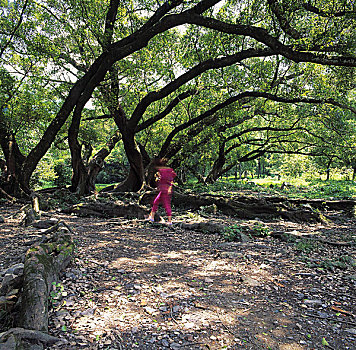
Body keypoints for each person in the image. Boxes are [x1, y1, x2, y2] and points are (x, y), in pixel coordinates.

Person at [147, 158, 176, 225]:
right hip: (164, 190)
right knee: (156, 202)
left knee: (166, 205)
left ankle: (169, 221)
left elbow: (166, 180)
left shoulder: (164, 170)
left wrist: (159, 180)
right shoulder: (169, 170)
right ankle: (152, 217)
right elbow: (172, 178)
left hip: (165, 190)